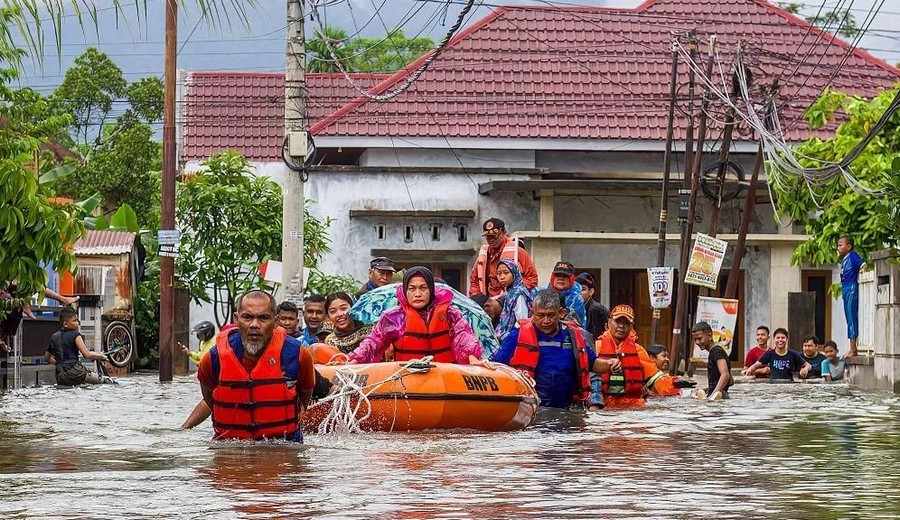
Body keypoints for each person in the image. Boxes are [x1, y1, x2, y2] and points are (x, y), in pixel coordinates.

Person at [196, 290, 315, 441]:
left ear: (276, 321)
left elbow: (305, 393)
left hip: (284, 444)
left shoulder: (298, 355)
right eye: (247, 317)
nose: (254, 325)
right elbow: (209, 395)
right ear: (236, 319)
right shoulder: (213, 358)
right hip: (230, 446)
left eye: (263, 318)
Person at [486, 289, 616, 410]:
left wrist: (610, 364)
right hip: (531, 409)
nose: (546, 320)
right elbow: (496, 365)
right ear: (532, 312)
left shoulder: (573, 336)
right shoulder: (518, 335)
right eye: (540, 315)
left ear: (561, 313)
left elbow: (593, 364)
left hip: (568, 409)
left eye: (551, 315)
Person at [347, 266, 482, 365]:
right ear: (405, 291)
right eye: (412, 289)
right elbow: (374, 341)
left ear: (431, 290)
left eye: (423, 288)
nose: (417, 294)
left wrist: (472, 357)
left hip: (446, 375)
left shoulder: (450, 314)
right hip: (408, 377)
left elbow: (463, 335)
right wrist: (355, 358)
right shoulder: (393, 317)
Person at [595, 304, 656, 408]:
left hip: (633, 407)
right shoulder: (596, 347)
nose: (621, 326)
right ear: (609, 323)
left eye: (626, 323)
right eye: (618, 321)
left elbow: (655, 379)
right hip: (603, 405)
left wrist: (674, 384)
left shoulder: (638, 351)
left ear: (631, 327)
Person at [469, 217, 538, 297]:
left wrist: (513, 292)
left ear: (504, 232)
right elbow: (474, 281)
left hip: (512, 301)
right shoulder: (484, 256)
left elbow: (532, 279)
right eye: (488, 237)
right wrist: (476, 297)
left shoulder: (518, 252)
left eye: (495, 236)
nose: (491, 240)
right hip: (489, 303)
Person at [44, 307, 113, 386]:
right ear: (65, 324)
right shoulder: (75, 334)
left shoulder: (54, 337)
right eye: (75, 321)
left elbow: (47, 358)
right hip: (76, 372)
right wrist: (101, 357)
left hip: (60, 375)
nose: (78, 323)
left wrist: (60, 363)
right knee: (107, 382)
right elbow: (87, 354)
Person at [742, 328, 811, 382]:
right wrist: (749, 370)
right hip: (773, 384)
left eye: (783, 338)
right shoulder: (770, 353)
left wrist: (805, 369)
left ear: (787, 339)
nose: (780, 340)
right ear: (774, 339)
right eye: (778, 338)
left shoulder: (793, 354)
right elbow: (755, 365)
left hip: (789, 384)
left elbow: (808, 365)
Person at [837, 235, 866, 357]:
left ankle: (853, 349)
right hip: (845, 288)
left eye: (840, 245)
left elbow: (863, 264)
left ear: (848, 246)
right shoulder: (844, 259)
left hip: (851, 288)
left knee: (851, 318)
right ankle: (852, 347)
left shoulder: (853, 256)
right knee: (849, 318)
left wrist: (863, 271)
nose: (838, 247)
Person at [691, 322, 732, 400]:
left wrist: (711, 397)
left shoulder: (716, 351)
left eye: (699, 339)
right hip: (722, 396)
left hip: (719, 398)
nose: (697, 342)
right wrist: (706, 390)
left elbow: (725, 375)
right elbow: (730, 381)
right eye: (695, 340)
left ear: (709, 336)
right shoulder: (715, 352)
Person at [494, 259, 533, 340]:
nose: (502, 277)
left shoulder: (519, 293)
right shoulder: (510, 292)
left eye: (506, 273)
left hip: (515, 339)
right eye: (499, 273)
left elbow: (522, 321)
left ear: (514, 273)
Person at [540, 261, 586, 326]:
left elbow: (578, 326)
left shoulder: (577, 300)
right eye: (558, 275)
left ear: (571, 279)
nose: (561, 278)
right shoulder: (540, 294)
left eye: (565, 276)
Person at [576, 272, 609, 339]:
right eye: (577, 289)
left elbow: (594, 337)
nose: (579, 293)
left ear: (591, 292)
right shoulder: (575, 306)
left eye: (583, 289)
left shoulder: (595, 309)